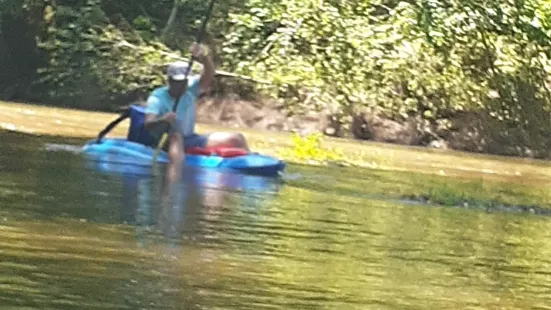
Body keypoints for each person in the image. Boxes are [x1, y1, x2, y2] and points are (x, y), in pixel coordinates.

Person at [143, 43, 250, 164]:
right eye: (177, 82)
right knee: (176, 137)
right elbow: (148, 123)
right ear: (169, 81)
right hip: (164, 142)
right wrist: (163, 120)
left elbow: (209, 75)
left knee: (237, 138)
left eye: (183, 82)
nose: (181, 85)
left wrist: (203, 57)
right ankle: (174, 177)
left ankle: (250, 164)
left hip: (190, 138)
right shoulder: (157, 97)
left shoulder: (190, 88)